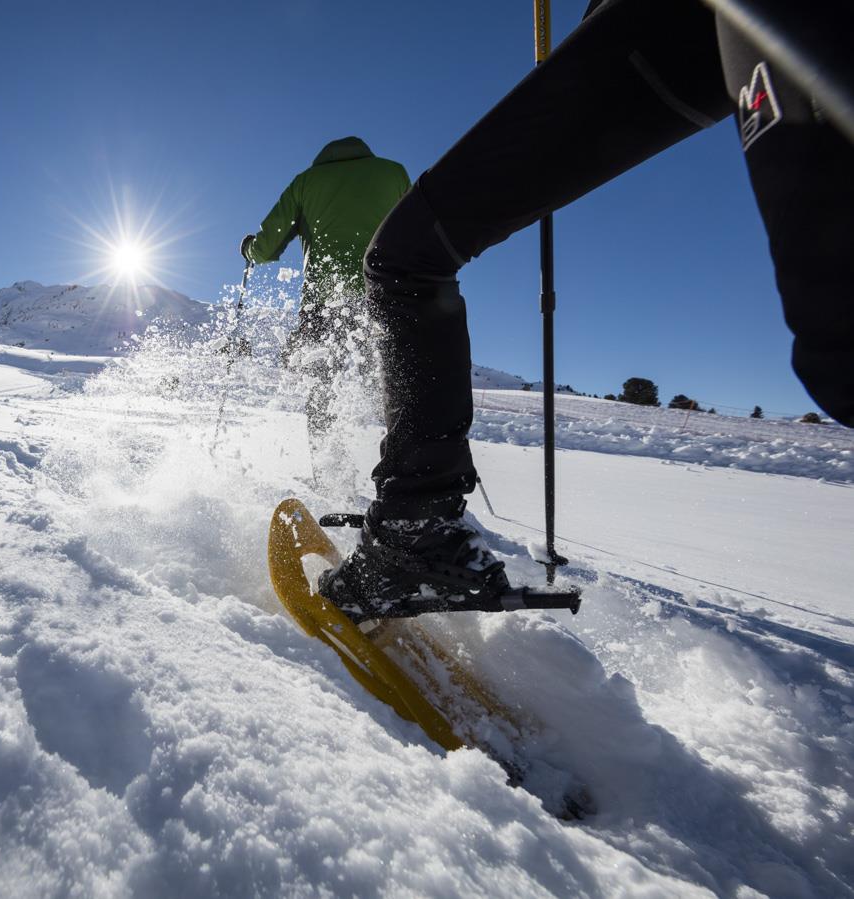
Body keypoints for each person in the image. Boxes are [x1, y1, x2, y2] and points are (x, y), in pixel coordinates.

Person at [319, 0, 854, 615]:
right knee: (406, 257)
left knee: (839, 347)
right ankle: (413, 532)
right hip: (652, 26)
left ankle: (413, 534)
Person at [240, 136, 411, 468]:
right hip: (385, 292)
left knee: (322, 391)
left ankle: (330, 474)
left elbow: (266, 248)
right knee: (396, 386)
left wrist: (249, 248)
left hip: (325, 301)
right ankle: (409, 482)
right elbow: (418, 230)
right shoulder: (394, 173)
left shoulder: (306, 182)